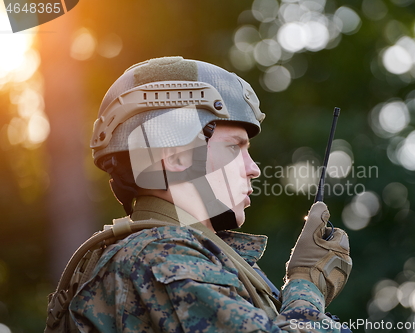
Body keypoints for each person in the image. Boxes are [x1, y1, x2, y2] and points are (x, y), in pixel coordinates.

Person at [52, 56, 352, 332]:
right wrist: (305, 286)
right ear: (176, 155)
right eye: (235, 147)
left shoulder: (183, 255)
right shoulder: (160, 256)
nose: (253, 169)